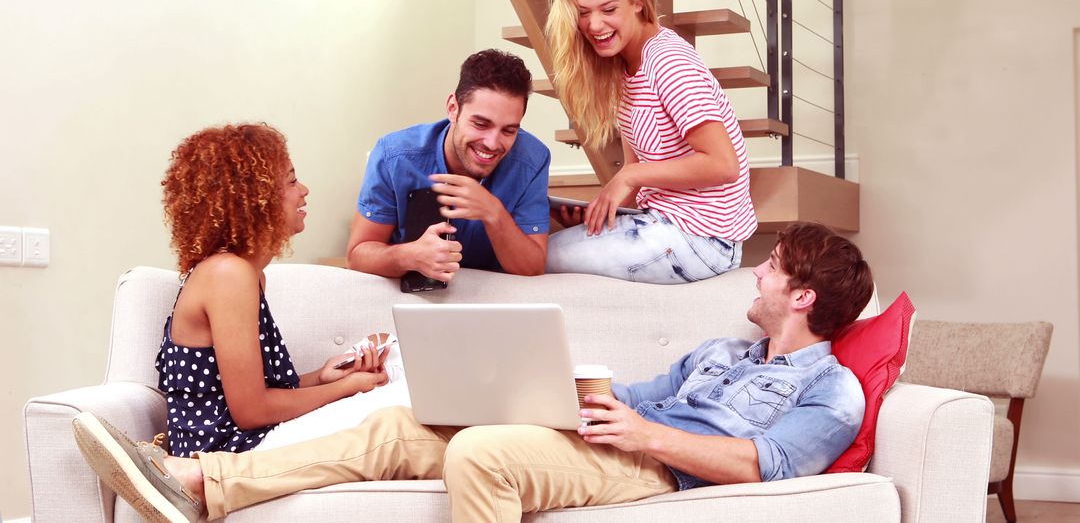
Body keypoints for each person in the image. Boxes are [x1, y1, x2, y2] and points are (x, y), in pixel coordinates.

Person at [72, 222, 873, 522]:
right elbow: (638, 395)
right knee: (398, 422)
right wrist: (566, 384)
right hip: (615, 436)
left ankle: (198, 480)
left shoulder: (831, 387)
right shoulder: (724, 352)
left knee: (479, 452)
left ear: (802, 295)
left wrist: (645, 434)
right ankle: (203, 485)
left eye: (772, 270)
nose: (756, 275)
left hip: (660, 473)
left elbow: (764, 467)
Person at [152, 123, 393, 459]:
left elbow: (252, 393)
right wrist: (343, 390)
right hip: (221, 455)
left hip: (246, 441)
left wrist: (322, 378)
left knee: (392, 409)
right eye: (292, 181)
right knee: (393, 426)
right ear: (256, 197)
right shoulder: (228, 275)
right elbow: (251, 411)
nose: (304, 190)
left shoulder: (247, 275)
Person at [544, 0, 757, 284]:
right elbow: (641, 174)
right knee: (538, 248)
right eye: (584, 13)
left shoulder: (670, 63)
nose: (594, 25)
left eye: (608, 9)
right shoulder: (627, 69)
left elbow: (723, 164)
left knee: (535, 257)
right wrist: (596, 217)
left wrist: (629, 176)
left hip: (702, 239)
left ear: (638, 2)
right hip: (660, 223)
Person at [346, 49, 551, 282]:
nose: (492, 143)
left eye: (509, 130)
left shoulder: (531, 160)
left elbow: (533, 267)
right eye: (481, 124)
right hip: (412, 297)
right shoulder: (395, 156)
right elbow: (356, 256)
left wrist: (493, 213)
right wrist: (408, 256)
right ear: (453, 108)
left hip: (492, 299)